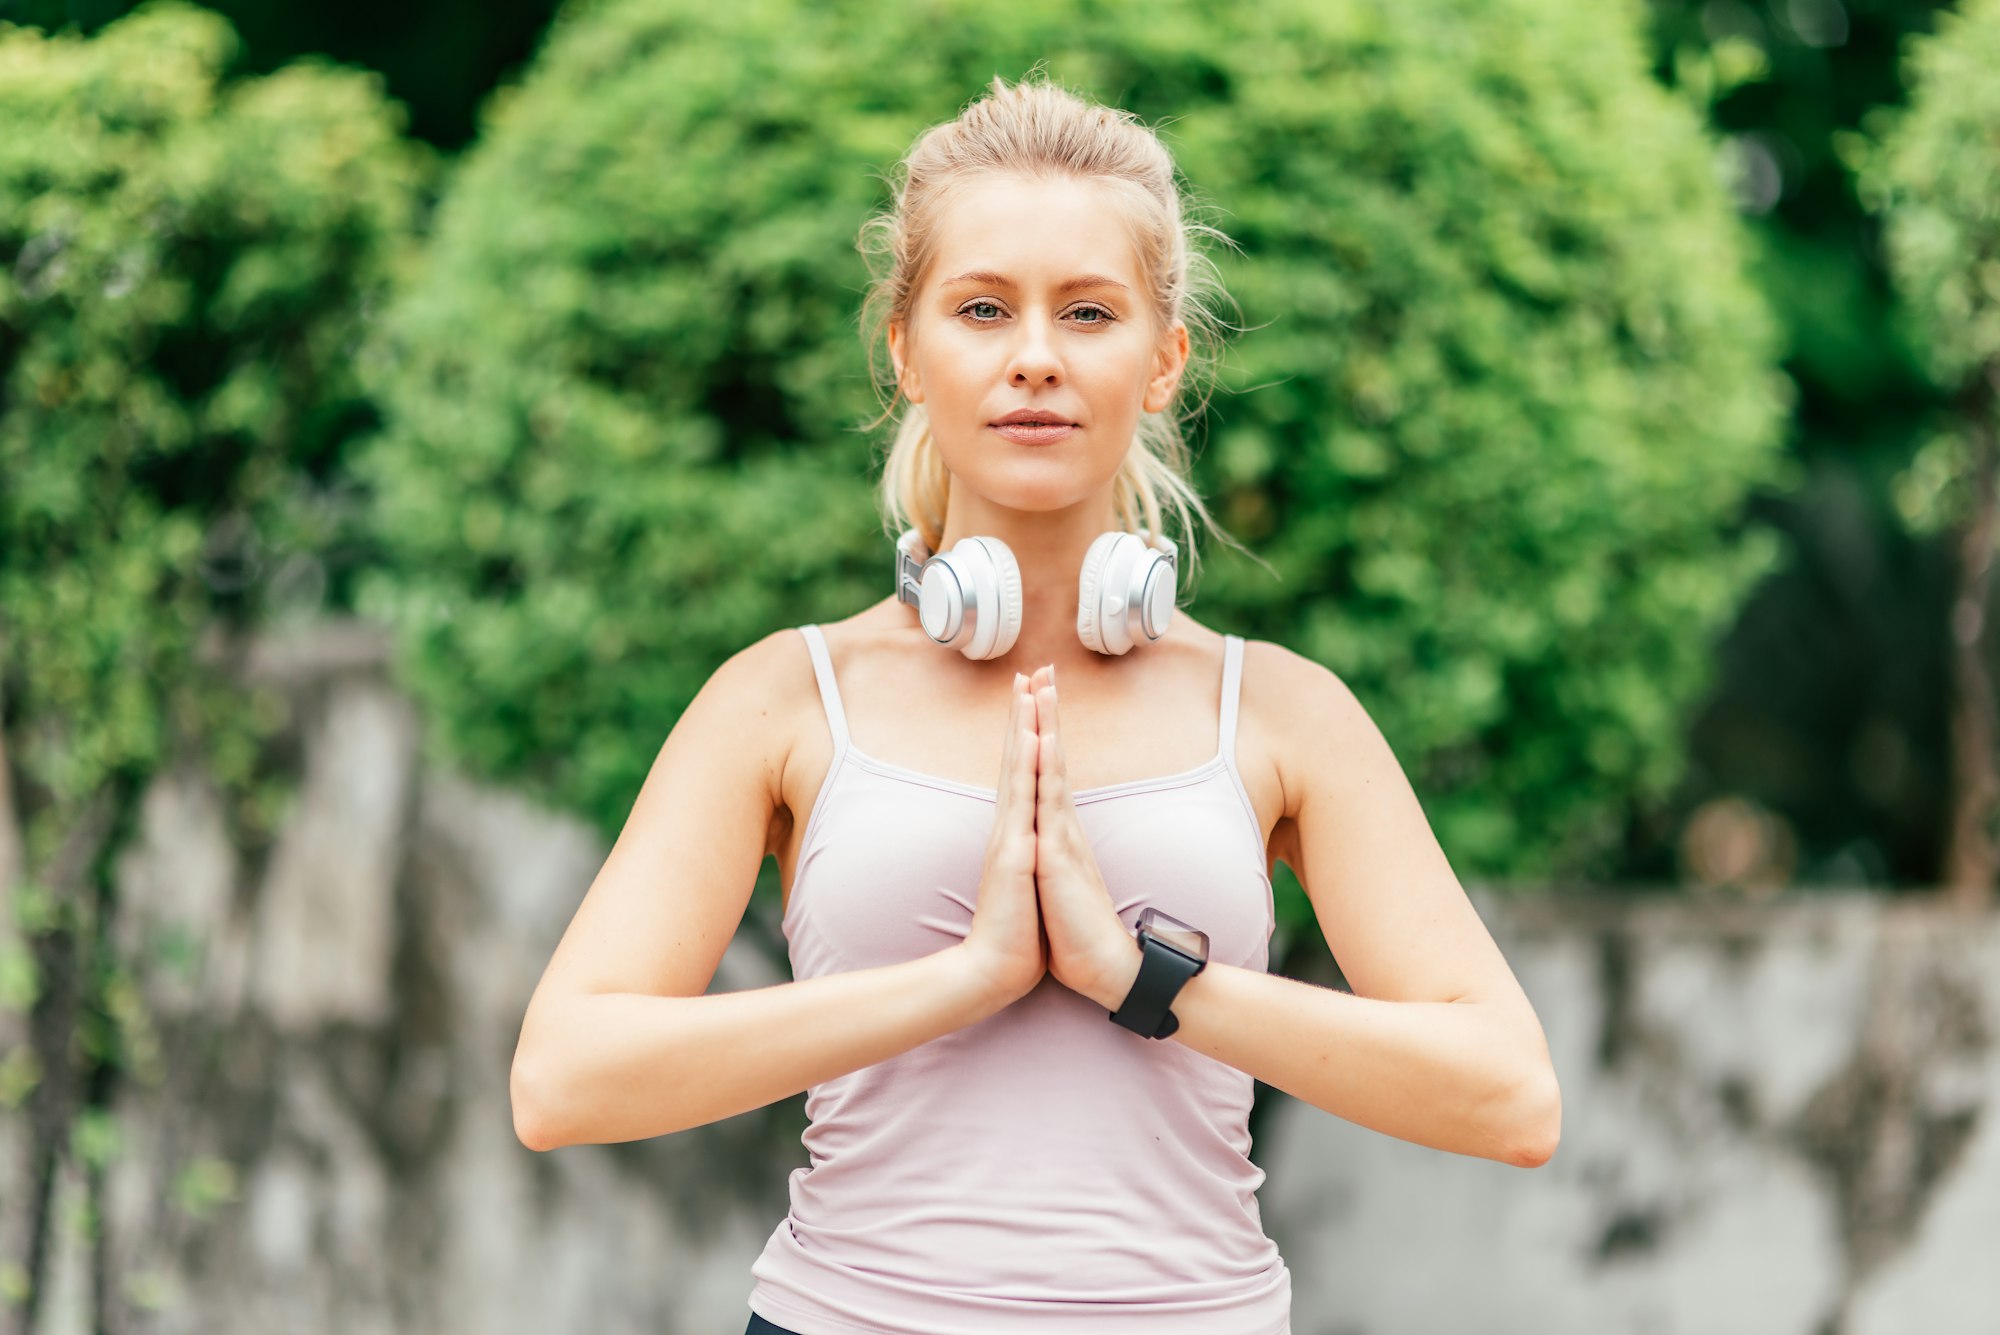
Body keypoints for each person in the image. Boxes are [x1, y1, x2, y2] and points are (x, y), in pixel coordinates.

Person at [509, 74, 1561, 1335]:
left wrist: (1140, 978)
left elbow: (1509, 1096)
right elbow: (563, 1080)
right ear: (904, 351)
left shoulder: (1280, 713)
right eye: (981, 308)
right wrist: (970, 977)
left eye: (1088, 312)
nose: (1035, 357)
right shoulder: (785, 698)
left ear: (1163, 361)